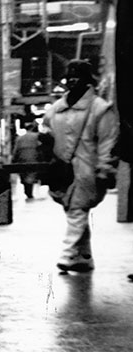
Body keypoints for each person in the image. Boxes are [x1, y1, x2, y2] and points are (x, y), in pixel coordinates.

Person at [42, 59, 119, 273]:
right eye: (70, 75)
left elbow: (107, 142)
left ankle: (67, 255)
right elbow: (46, 132)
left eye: (78, 75)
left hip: (87, 169)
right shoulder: (56, 109)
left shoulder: (100, 109)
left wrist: (105, 169)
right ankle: (84, 257)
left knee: (77, 210)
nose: (72, 79)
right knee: (74, 210)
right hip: (63, 169)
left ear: (88, 79)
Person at [12, 121, 45, 199]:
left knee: (25, 176)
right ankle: (29, 192)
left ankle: (28, 192)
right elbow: (42, 148)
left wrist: (14, 160)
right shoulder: (37, 136)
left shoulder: (19, 138)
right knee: (32, 175)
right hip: (34, 158)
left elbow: (15, 151)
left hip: (22, 159)